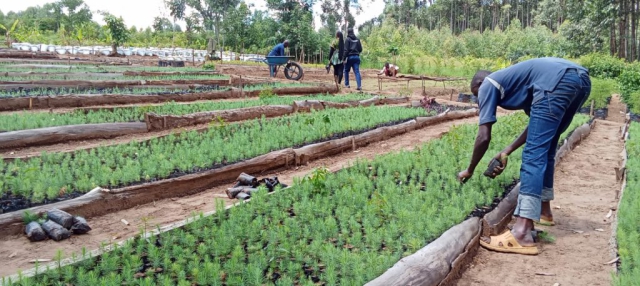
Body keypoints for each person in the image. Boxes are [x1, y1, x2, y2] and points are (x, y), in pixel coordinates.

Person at [457, 57, 591, 255]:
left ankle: (521, 233)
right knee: (547, 146)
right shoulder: (518, 82)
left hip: (558, 80)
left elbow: (483, 137)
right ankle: (544, 212)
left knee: (533, 156)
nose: (480, 101)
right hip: (580, 80)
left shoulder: (487, 85)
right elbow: (537, 128)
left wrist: (470, 170)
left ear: (479, 85)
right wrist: (507, 151)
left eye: (477, 96)